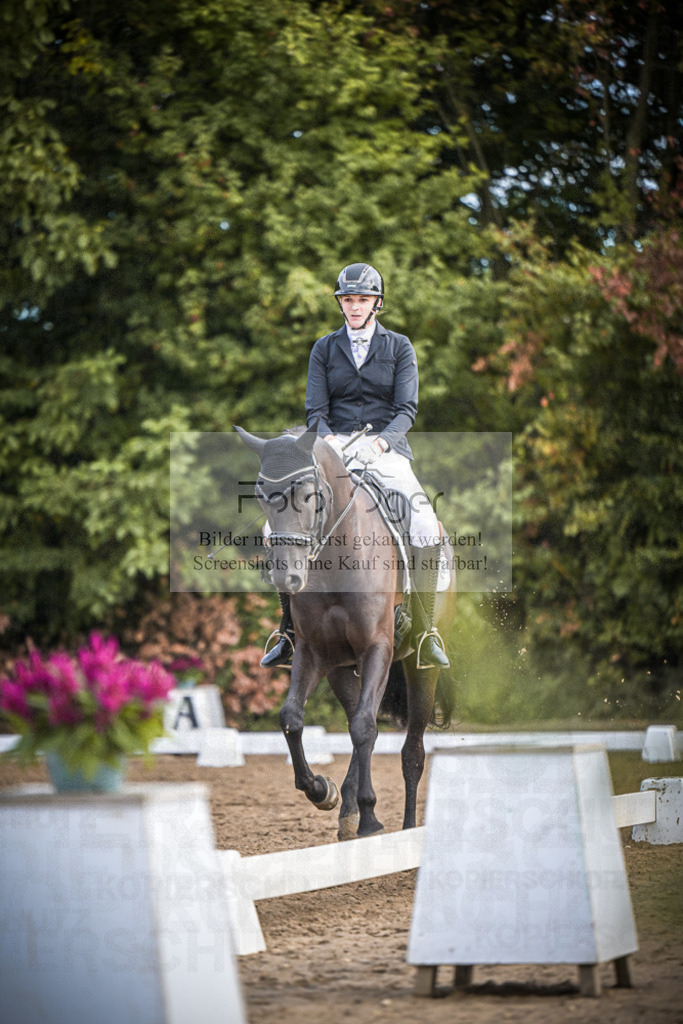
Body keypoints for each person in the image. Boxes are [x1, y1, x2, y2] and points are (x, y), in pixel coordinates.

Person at [261, 262, 449, 670]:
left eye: (362, 299)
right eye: (348, 299)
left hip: (387, 447)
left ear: (376, 303)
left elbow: (406, 410)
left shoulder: (399, 347)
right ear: (341, 304)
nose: (354, 306)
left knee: (423, 521)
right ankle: (287, 632)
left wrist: (381, 443)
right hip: (334, 445)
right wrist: (330, 445)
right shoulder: (324, 348)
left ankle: (426, 630)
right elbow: (316, 410)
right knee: (271, 526)